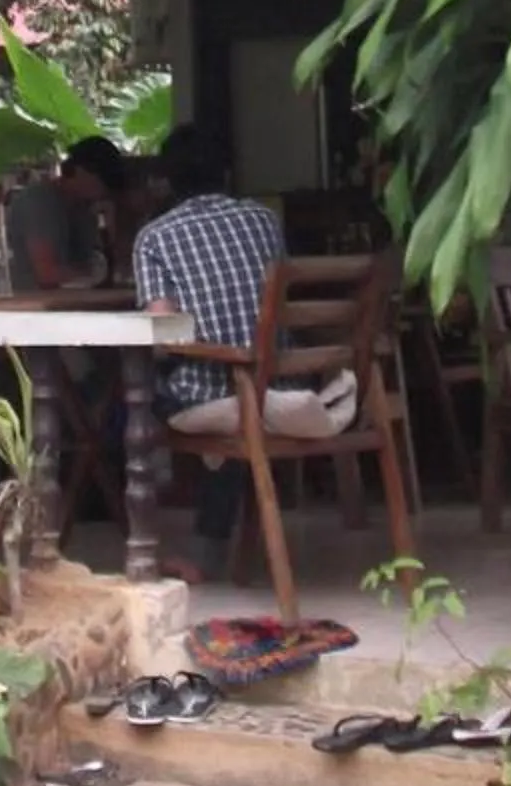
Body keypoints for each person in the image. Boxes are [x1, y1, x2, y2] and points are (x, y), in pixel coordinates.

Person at [132, 126, 355, 581]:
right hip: (284, 385)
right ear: (228, 173)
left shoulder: (154, 238)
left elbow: (163, 331)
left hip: (230, 398)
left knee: (146, 391)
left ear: (168, 182)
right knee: (231, 387)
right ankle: (210, 547)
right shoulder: (264, 221)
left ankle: (154, 545)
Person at [3, 134, 127, 294]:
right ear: (79, 171)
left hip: (73, 300)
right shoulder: (39, 201)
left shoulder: (85, 209)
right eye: (101, 181)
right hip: (30, 304)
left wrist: (110, 221)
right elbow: (47, 274)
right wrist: (94, 275)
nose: (104, 188)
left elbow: (104, 260)